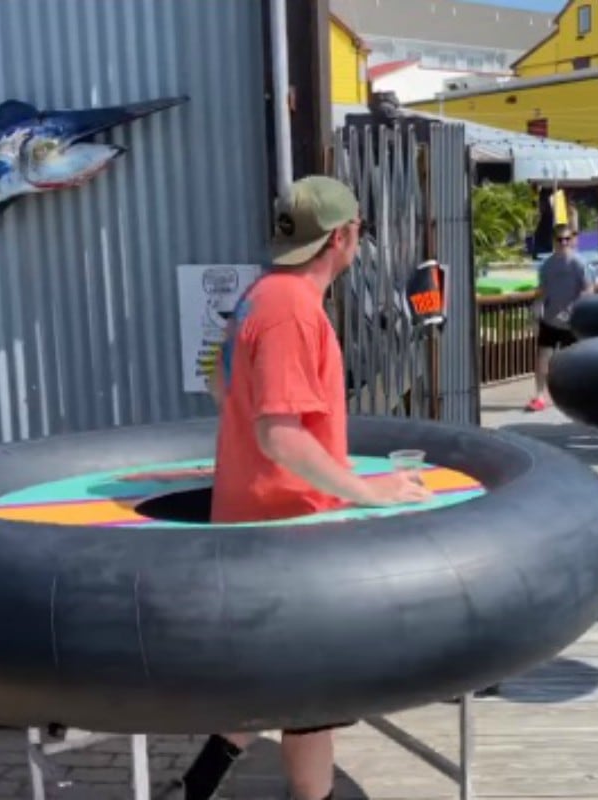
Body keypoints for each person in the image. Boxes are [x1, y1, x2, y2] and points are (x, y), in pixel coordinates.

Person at [189, 175, 432, 800]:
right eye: (359, 231)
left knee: (285, 680)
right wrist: (364, 491)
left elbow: (221, 386)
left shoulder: (257, 296)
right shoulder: (293, 311)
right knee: (312, 689)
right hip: (288, 529)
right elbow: (280, 435)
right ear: (343, 236)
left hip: (256, 516)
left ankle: (204, 778)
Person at [526, 223, 594, 412]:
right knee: (542, 358)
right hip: (549, 319)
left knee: (573, 361)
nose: (564, 243)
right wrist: (535, 310)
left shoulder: (580, 264)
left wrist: (574, 309)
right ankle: (540, 395)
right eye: (560, 239)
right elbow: (542, 290)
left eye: (567, 239)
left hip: (572, 322)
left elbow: (589, 289)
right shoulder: (547, 265)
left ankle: (578, 397)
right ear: (554, 241)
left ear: (572, 240)